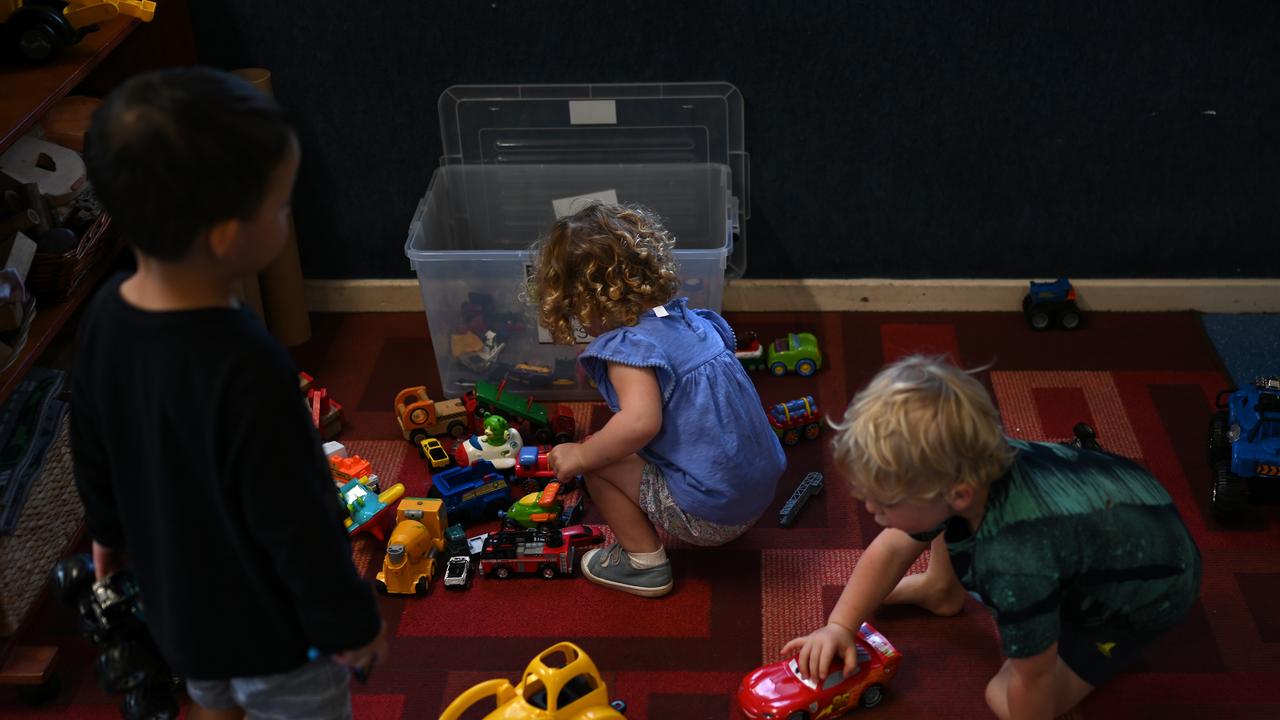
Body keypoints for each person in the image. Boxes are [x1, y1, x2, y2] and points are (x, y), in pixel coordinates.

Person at [71, 67, 385, 720]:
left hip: (177, 613)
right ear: (225, 235)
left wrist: (106, 532)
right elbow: (299, 518)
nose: (286, 215)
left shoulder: (103, 312)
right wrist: (350, 624)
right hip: (272, 633)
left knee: (213, 703)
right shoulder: (248, 363)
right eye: (278, 204)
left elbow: (90, 440)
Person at [783, 355, 1201, 720]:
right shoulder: (969, 467)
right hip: (1128, 502)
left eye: (883, 502)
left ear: (957, 492)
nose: (871, 511)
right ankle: (940, 588)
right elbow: (893, 546)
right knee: (938, 522)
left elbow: (1033, 674)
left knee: (1002, 697)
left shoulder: (1015, 566)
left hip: (1147, 591)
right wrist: (839, 626)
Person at [528, 203, 786, 598]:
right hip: (760, 489)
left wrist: (582, 456)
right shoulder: (691, 320)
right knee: (621, 438)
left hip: (712, 514)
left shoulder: (627, 348)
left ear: (579, 302)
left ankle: (643, 564)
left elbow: (640, 424)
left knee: (601, 460)